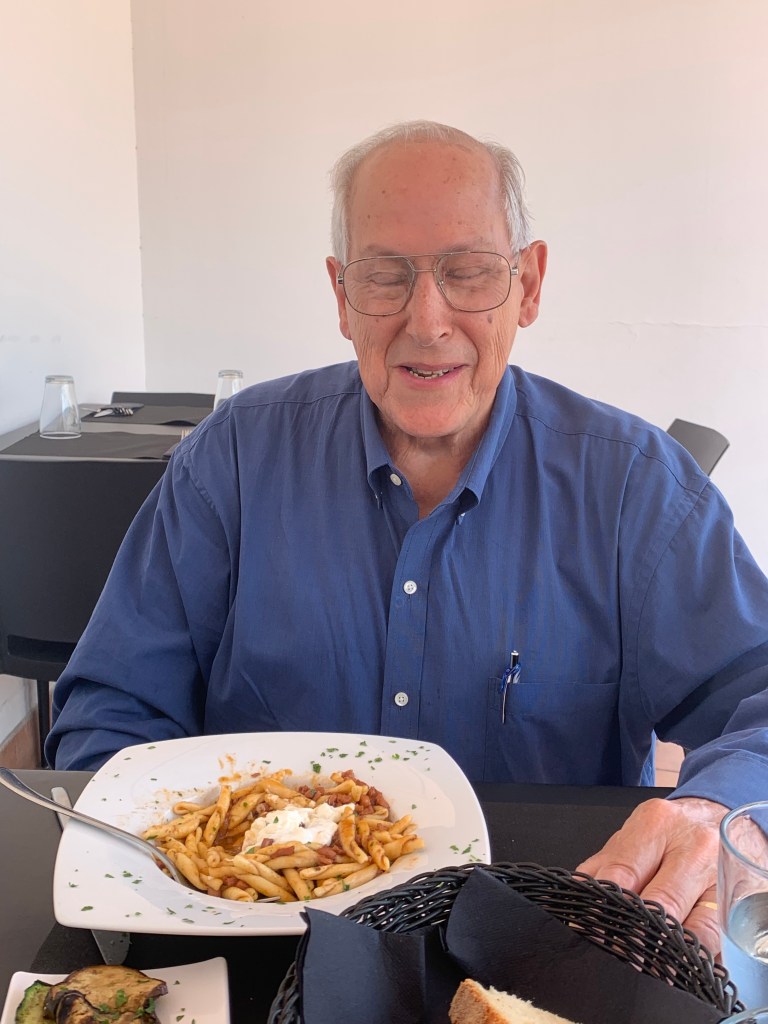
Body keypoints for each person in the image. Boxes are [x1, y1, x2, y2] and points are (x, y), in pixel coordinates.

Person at [47, 120, 768, 955]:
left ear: (528, 285)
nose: (428, 321)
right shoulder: (231, 460)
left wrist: (713, 808)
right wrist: (142, 869)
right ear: (341, 296)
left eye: (469, 272)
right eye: (386, 277)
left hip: (545, 945)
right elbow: (112, 705)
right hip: (250, 941)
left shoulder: (635, 487)